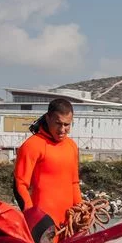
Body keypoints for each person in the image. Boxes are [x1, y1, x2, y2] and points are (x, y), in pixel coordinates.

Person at [13, 98, 83, 229]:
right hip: (43, 225)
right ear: (48, 118)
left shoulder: (72, 146)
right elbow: (20, 185)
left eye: (67, 125)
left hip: (68, 224)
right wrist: (32, 217)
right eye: (58, 123)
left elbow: (74, 183)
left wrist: (82, 210)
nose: (62, 129)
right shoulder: (32, 145)